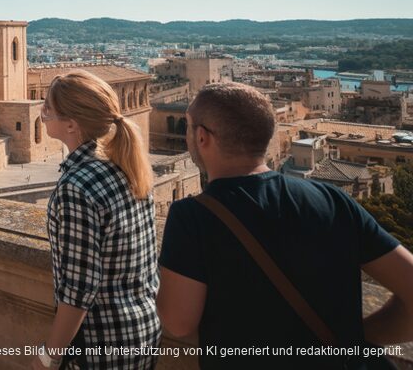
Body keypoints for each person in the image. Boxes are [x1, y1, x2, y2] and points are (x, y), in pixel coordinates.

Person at [157, 82, 413, 369]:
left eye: (189, 127)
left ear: (202, 137)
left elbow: (177, 323)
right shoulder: (332, 200)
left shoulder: (192, 217)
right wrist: (354, 340)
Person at [34, 69, 159, 370]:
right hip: (142, 335)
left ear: (71, 124)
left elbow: (79, 289)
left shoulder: (77, 188)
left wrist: (49, 356)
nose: (42, 114)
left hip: (102, 346)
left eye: (47, 108)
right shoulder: (126, 168)